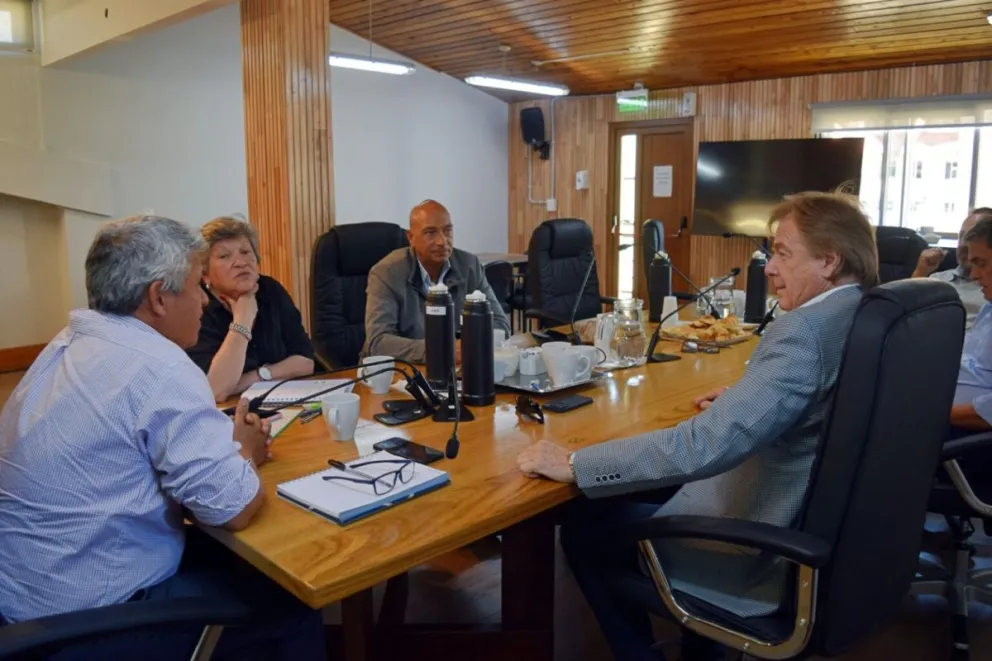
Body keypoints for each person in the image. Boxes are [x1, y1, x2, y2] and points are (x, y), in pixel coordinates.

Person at [516, 191, 878, 661]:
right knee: (625, 495)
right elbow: (822, 401)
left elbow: (701, 445)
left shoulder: (804, 331)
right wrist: (750, 401)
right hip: (819, 525)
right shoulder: (857, 311)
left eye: (783, 253)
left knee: (585, 523)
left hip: (759, 541)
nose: (769, 267)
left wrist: (574, 461)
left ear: (829, 261)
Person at [0, 215, 326, 661]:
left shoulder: (68, 342)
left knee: (245, 563)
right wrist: (246, 452)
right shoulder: (159, 365)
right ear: (158, 297)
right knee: (295, 603)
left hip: (26, 602)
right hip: (90, 621)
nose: (204, 299)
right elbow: (233, 509)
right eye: (196, 285)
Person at [363, 199, 512, 364]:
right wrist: (442, 351)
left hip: (459, 370)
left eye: (447, 231)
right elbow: (378, 342)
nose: (442, 241)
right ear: (411, 238)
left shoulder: (469, 266)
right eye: (430, 233)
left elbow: (501, 326)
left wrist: (468, 345)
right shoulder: (387, 272)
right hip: (402, 370)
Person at [187, 216, 315, 402]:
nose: (241, 262)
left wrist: (259, 376)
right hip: (224, 413)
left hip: (283, 402)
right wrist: (243, 319)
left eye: (246, 252)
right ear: (204, 274)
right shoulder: (196, 307)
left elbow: (305, 361)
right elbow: (216, 390)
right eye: (224, 256)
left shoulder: (270, 290)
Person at [912, 208, 992, 330]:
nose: (963, 244)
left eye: (972, 237)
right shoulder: (935, 279)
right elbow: (903, 314)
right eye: (962, 236)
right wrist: (920, 272)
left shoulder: (988, 291)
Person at [950, 215, 992, 431]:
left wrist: (930, 410)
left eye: (981, 264)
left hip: (965, 433)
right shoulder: (989, 308)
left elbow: (988, 411)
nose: (974, 275)